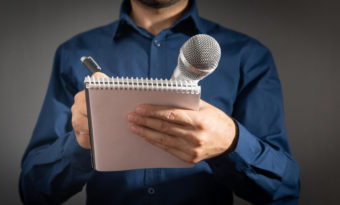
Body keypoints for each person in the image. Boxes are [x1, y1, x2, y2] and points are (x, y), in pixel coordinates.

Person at [19, 0, 300, 204]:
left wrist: (232, 142)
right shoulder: (74, 53)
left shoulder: (248, 55)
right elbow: (34, 190)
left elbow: (285, 189)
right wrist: (80, 143)